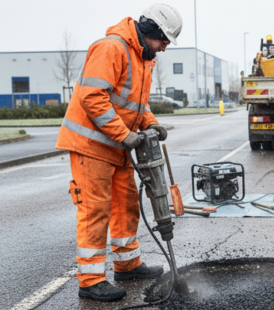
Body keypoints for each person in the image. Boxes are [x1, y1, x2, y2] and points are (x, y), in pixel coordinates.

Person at [55, 3, 182, 302]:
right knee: (94, 211)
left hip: (118, 147)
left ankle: (127, 264)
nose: (164, 48)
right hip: (92, 146)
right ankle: (90, 280)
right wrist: (124, 135)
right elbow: (92, 97)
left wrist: (151, 123)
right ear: (150, 30)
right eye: (163, 40)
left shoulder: (144, 59)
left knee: (126, 204)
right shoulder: (111, 48)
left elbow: (137, 105)